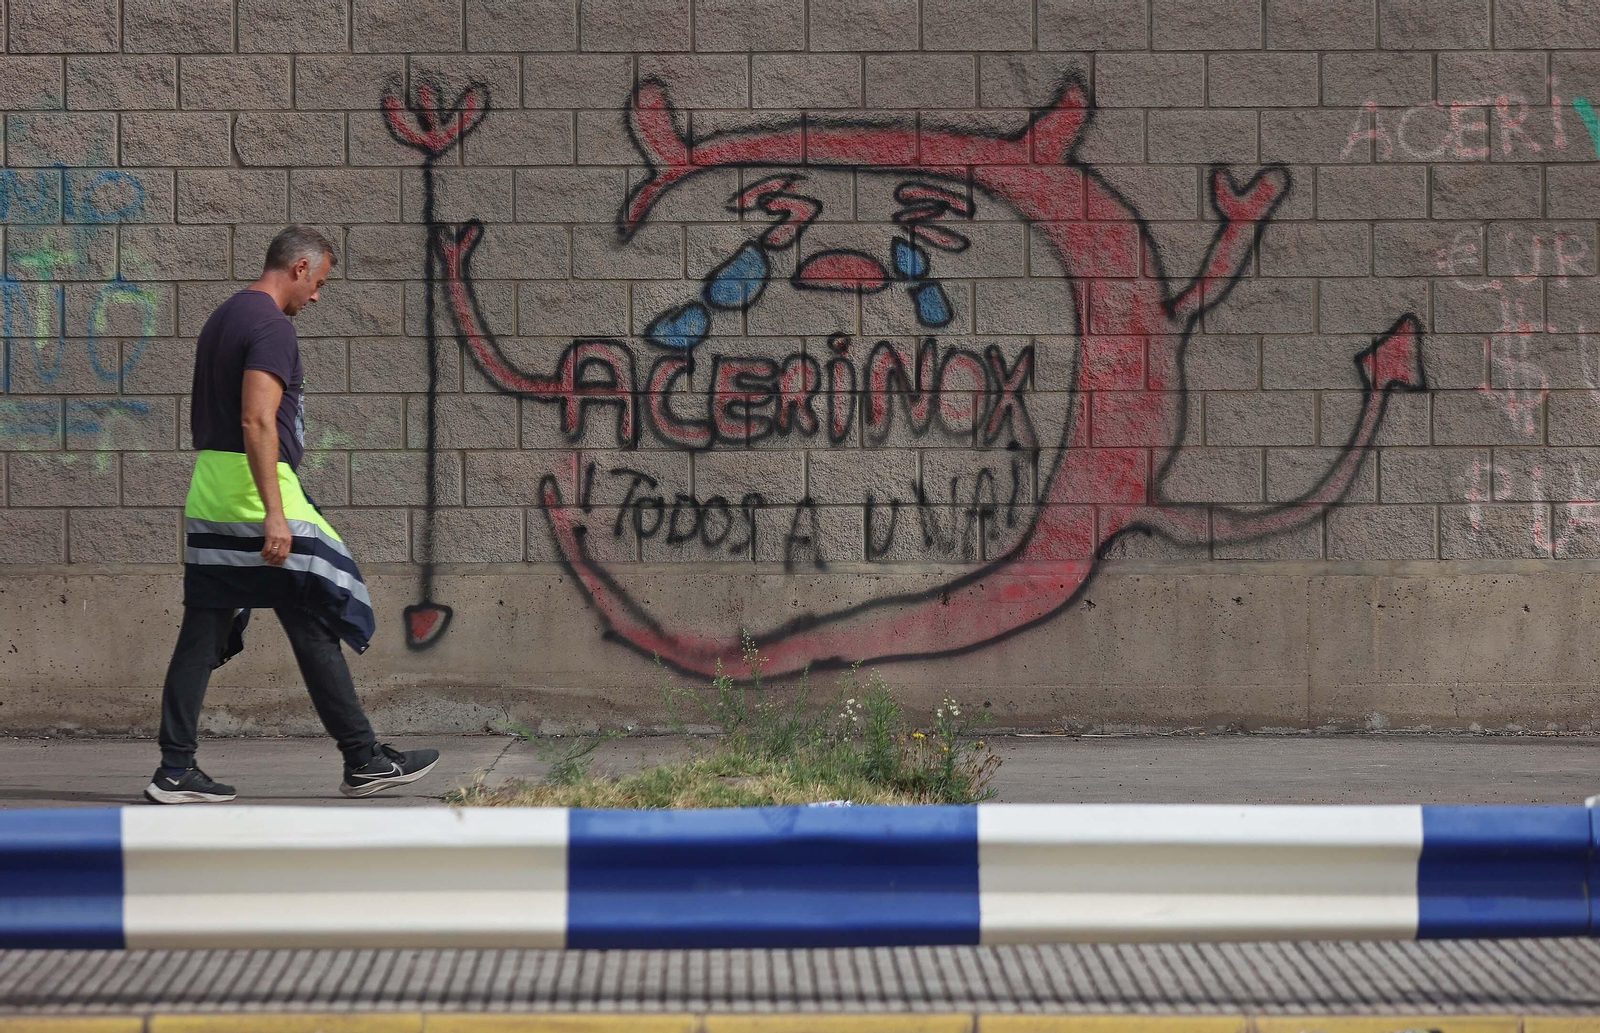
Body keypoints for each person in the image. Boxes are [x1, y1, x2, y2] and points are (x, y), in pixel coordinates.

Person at [146, 225, 438, 804]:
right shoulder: (271, 326)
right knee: (325, 602)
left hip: (211, 494)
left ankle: (176, 769)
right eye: (320, 282)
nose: (318, 297)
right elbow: (257, 420)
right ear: (299, 268)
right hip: (257, 500)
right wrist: (276, 515)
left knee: (207, 635)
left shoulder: (225, 315)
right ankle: (362, 758)